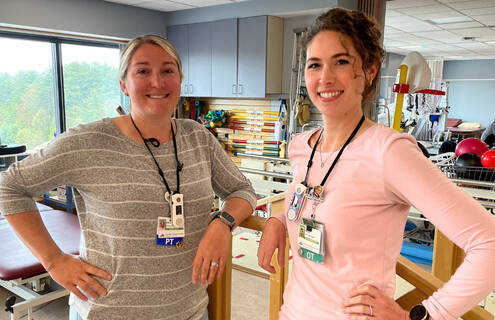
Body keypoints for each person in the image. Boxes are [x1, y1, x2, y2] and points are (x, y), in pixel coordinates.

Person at [257, 8, 495, 320]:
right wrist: (278, 221)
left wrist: (424, 315)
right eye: (315, 65)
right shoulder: (303, 146)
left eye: (341, 62)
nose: (325, 78)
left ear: (370, 70)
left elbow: (488, 243)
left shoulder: (388, 152)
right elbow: (309, 199)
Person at [0, 34, 256, 320]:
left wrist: (222, 224)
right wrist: (54, 260)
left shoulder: (198, 138)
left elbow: (242, 190)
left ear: (180, 80)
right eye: (143, 71)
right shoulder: (88, 141)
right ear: (124, 84)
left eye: (167, 70)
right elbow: (9, 187)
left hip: (189, 312)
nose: (157, 82)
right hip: (107, 312)